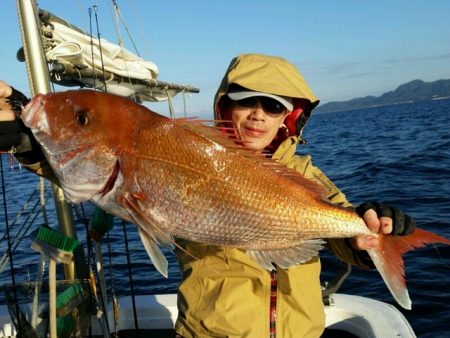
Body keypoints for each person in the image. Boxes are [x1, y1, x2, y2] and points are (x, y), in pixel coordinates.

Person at [0, 54, 415, 338]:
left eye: (271, 106)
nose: (256, 114)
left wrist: (366, 232)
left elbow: (342, 234)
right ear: (223, 105)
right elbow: (82, 165)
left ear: (288, 118)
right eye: (244, 101)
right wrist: (27, 139)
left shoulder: (306, 174)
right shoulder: (183, 148)